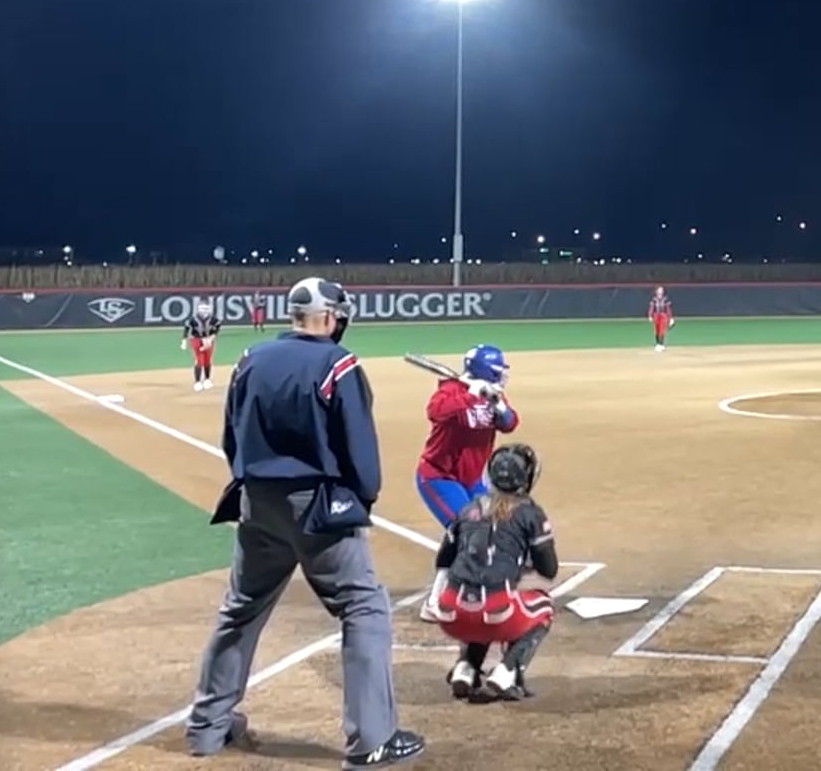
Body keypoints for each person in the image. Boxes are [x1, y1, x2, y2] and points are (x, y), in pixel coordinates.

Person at [184, 276, 425, 768]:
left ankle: (207, 728)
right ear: (331, 316)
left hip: (256, 502)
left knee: (241, 608)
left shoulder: (251, 358)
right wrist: (360, 500)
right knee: (363, 607)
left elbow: (231, 436)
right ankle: (372, 740)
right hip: (317, 506)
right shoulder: (338, 364)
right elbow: (359, 449)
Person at [430, 444, 556, 704]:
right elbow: (549, 569)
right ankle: (507, 672)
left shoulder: (467, 508)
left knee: (479, 599)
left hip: (450, 611)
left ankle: (467, 667)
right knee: (543, 607)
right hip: (497, 613)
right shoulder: (530, 513)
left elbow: (443, 559)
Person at [416, 344, 522, 622]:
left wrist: (498, 405)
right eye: (498, 370)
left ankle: (475, 590)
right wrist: (470, 395)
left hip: (472, 479)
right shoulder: (451, 390)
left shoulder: (493, 393)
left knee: (490, 531)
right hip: (439, 476)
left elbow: (510, 423)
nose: (503, 375)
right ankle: (435, 601)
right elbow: (435, 411)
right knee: (465, 531)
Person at [183, 299, 223, 391]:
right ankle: (197, 382)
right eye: (202, 308)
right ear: (198, 309)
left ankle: (207, 380)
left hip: (208, 340)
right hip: (196, 339)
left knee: (207, 360)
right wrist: (184, 340)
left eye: (206, 308)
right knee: (199, 360)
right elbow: (186, 328)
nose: (204, 311)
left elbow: (218, 326)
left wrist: (212, 336)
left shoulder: (213, 319)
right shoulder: (193, 319)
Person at [647, 286, 674, 352]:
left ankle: (661, 344)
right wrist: (650, 315)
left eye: (661, 290)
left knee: (662, 330)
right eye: (659, 290)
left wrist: (671, 318)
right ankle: (657, 344)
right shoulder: (653, 299)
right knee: (656, 330)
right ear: (656, 291)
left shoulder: (666, 299)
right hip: (656, 316)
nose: (660, 291)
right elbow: (651, 308)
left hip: (663, 316)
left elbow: (668, 309)